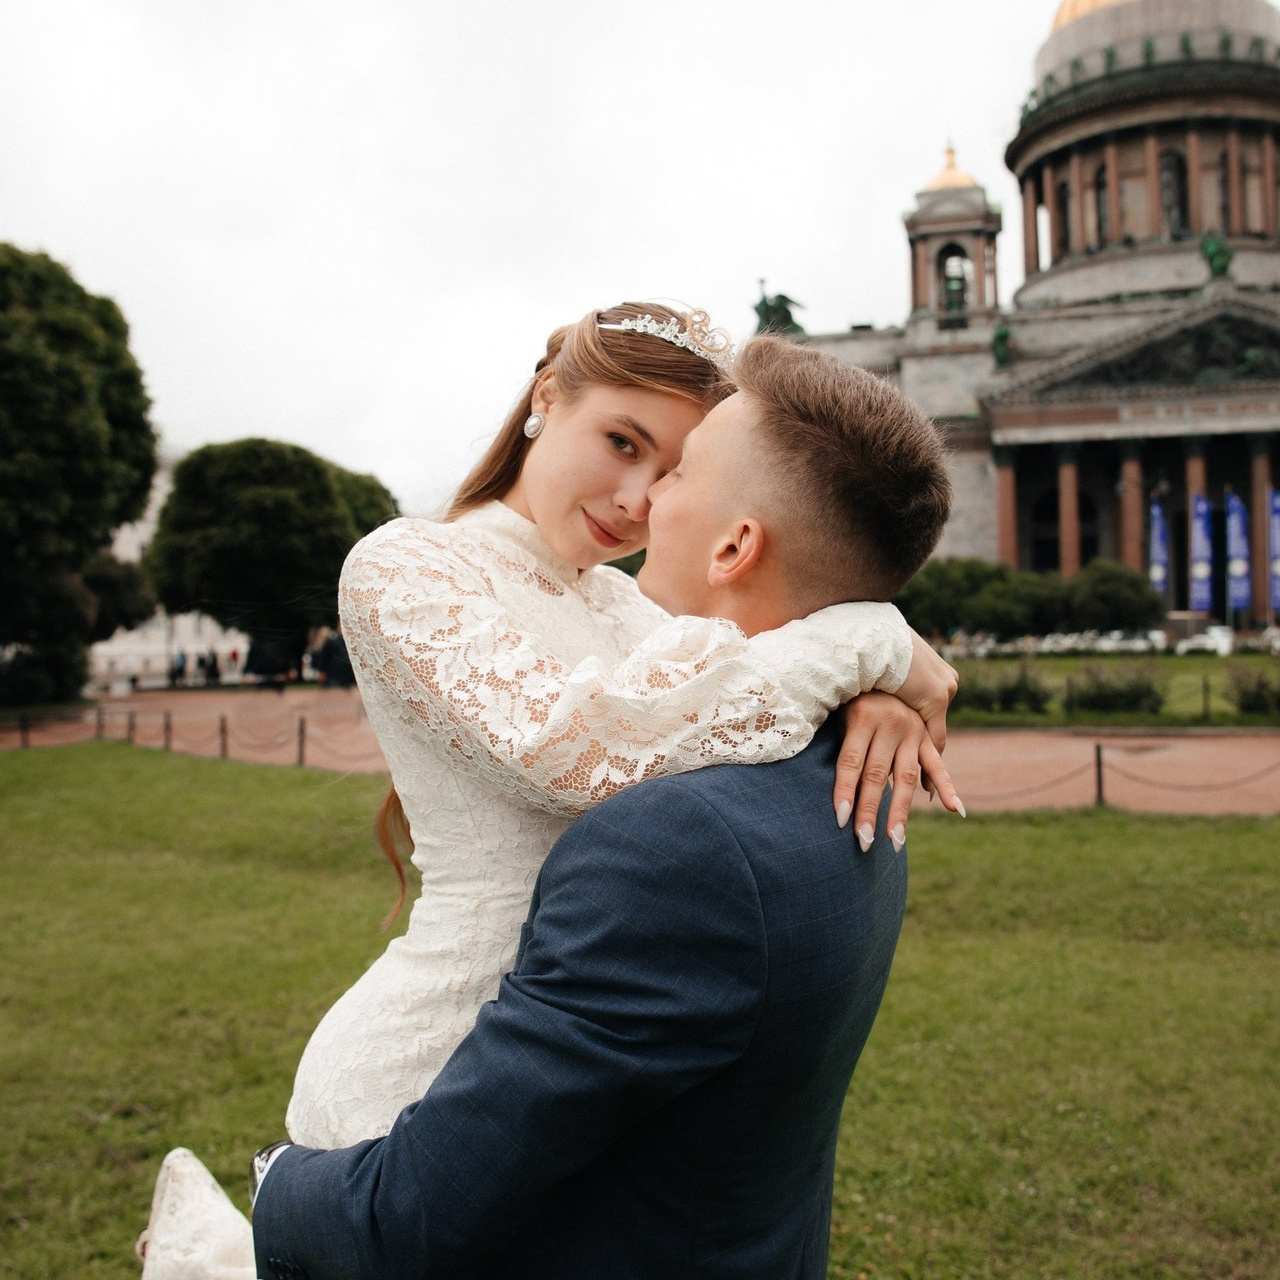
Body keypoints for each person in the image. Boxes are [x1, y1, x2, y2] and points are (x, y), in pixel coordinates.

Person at [138, 306, 959, 1276]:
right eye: (621, 441)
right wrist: (871, 641)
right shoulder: (406, 569)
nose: (639, 496)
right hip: (416, 1077)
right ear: (544, 399)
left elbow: (762, 642)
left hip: (576, 1073)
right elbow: (576, 745)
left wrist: (879, 693)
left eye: (668, 469)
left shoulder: (632, 602)